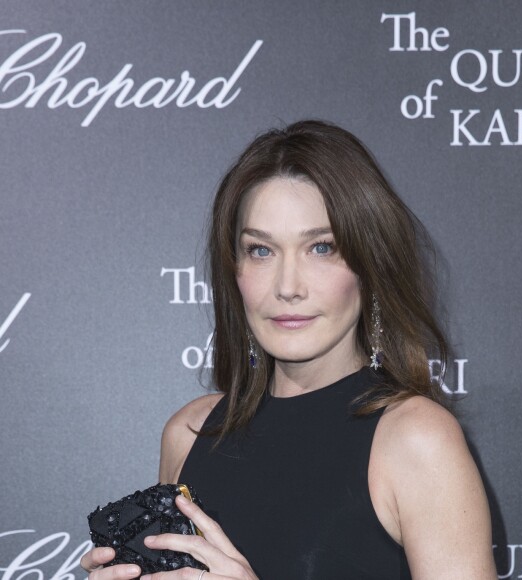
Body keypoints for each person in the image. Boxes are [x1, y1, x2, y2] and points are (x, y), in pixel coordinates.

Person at [81, 120, 497, 579]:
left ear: (371, 265)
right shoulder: (190, 432)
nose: (287, 286)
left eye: (322, 247)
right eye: (261, 251)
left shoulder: (416, 439)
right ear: (233, 269)